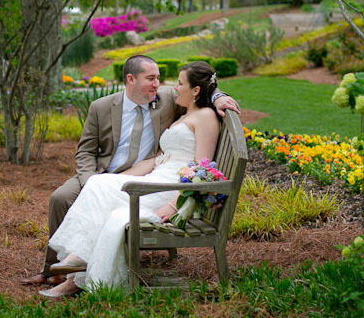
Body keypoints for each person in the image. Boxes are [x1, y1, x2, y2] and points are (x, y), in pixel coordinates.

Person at [20, 55, 240, 287]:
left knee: (103, 194)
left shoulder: (166, 98)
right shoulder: (101, 107)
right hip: (109, 170)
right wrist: (91, 182)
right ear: (131, 79)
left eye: (159, 79)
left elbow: (203, 89)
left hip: (153, 174)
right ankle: (52, 270)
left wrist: (219, 97)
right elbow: (85, 152)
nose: (159, 85)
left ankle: (80, 263)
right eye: (151, 78)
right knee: (61, 197)